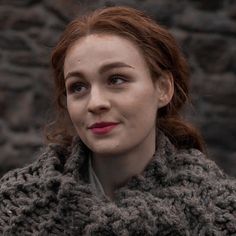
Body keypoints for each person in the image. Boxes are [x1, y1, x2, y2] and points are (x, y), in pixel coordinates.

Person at [0, 6, 235, 235]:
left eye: (116, 80)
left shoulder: (220, 212)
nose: (95, 103)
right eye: (78, 87)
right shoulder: (15, 207)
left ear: (163, 88)